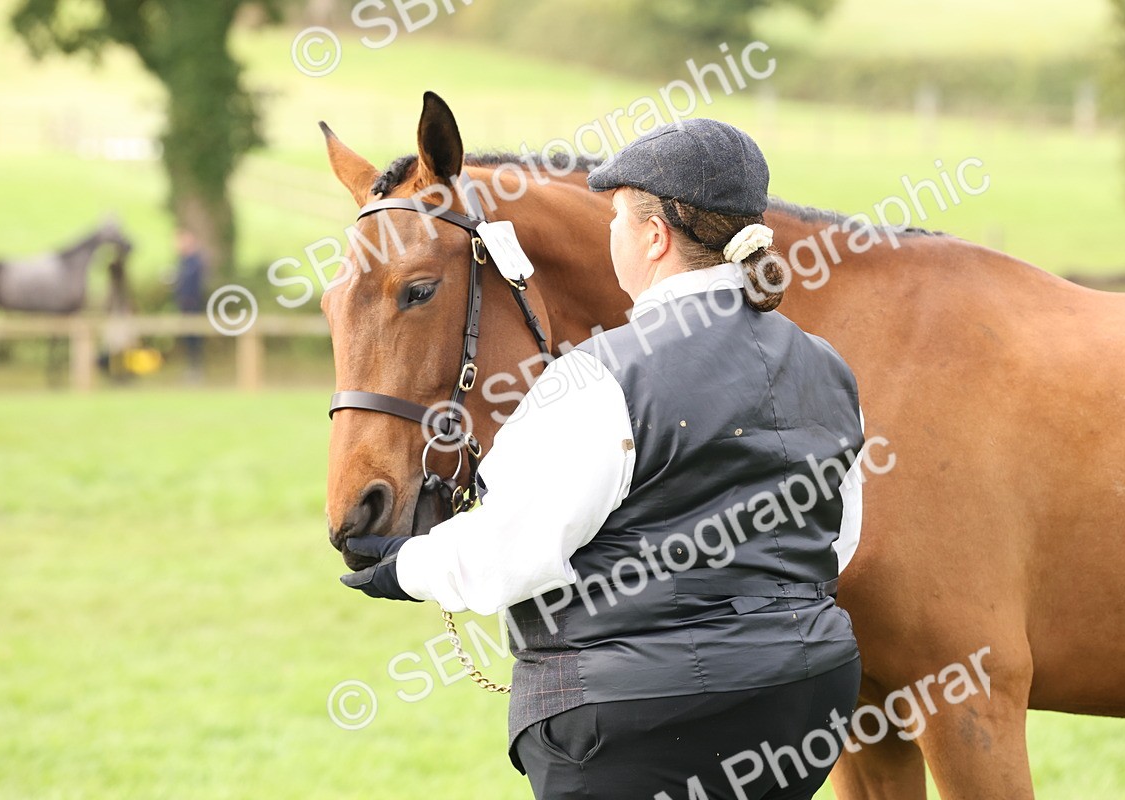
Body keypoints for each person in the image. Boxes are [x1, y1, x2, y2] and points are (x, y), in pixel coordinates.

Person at [341, 119, 866, 800]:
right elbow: (836, 541)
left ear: (655, 237)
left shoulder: (596, 378)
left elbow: (509, 554)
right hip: (806, 699)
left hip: (636, 718)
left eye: (616, 217)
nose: (610, 232)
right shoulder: (828, 366)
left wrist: (402, 567)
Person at [172, 228, 205, 381]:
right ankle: (192, 369)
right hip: (184, 307)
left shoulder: (195, 262)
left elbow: (196, 286)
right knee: (188, 339)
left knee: (194, 339)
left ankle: (196, 370)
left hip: (193, 307)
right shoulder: (183, 262)